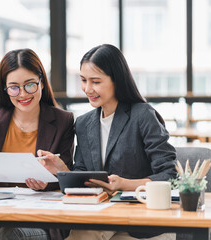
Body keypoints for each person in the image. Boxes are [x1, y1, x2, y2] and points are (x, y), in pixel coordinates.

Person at [37, 44, 177, 240]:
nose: (87, 89)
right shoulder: (84, 123)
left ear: (117, 80)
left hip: (143, 221)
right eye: (83, 80)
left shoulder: (143, 115)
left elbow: (170, 176)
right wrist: (62, 169)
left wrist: (124, 184)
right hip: (101, 215)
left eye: (95, 81)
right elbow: (85, 177)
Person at [0, 48, 74, 240]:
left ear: (41, 83)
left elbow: (66, 174)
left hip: (42, 219)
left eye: (30, 85)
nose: (22, 94)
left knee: (8, 237)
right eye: (13, 87)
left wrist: (46, 184)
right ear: (5, 89)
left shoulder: (63, 120)